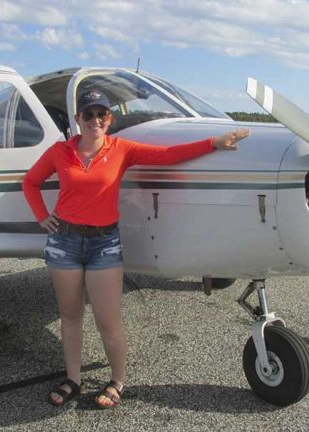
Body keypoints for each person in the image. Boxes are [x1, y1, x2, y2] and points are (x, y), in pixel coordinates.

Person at [22, 89, 249, 408]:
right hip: (64, 243)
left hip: (104, 243)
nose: (95, 120)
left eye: (101, 114)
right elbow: (30, 182)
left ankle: (117, 381)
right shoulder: (60, 152)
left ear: (109, 119)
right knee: (70, 315)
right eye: (88, 114)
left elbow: (168, 155)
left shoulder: (121, 149)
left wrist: (213, 143)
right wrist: (41, 217)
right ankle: (73, 379)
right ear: (77, 120)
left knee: (107, 319)